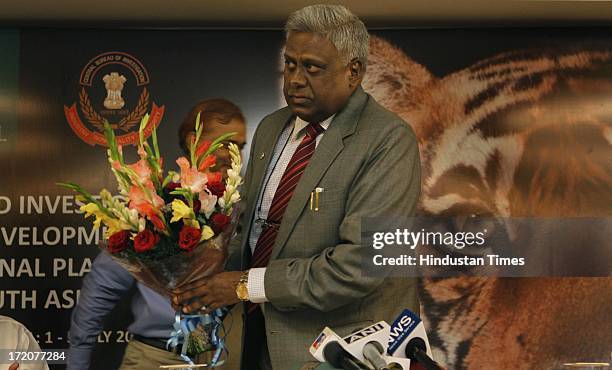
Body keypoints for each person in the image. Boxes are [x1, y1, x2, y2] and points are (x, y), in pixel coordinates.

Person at [172, 5, 421, 370]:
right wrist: (199, 278)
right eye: (290, 65)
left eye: (312, 68)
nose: (295, 81)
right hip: (259, 339)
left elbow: (360, 265)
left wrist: (244, 284)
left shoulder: (388, 140)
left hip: (341, 352)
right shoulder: (272, 128)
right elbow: (252, 231)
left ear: (354, 72)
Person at [67, 98, 247, 370]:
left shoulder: (243, 209)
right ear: (193, 140)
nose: (232, 153)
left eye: (240, 146)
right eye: (224, 142)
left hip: (220, 356)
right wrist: (77, 363)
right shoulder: (157, 205)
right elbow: (98, 294)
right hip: (156, 358)